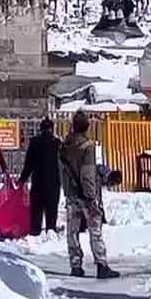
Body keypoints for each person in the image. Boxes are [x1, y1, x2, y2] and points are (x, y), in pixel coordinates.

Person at [61, 111, 120, 279]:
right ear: (87, 127)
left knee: (72, 231)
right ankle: (101, 264)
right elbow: (87, 173)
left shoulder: (64, 146)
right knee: (95, 230)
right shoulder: (88, 146)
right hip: (86, 196)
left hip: (71, 194)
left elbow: (63, 172)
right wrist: (90, 195)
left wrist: (68, 190)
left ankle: (75, 264)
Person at [19, 117, 62, 235]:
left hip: (38, 181)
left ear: (41, 129)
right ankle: (50, 231)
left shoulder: (34, 142)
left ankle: (35, 230)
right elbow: (63, 163)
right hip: (53, 182)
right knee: (51, 210)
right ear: (52, 129)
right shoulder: (57, 143)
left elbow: (29, 164)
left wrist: (22, 179)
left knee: (37, 209)